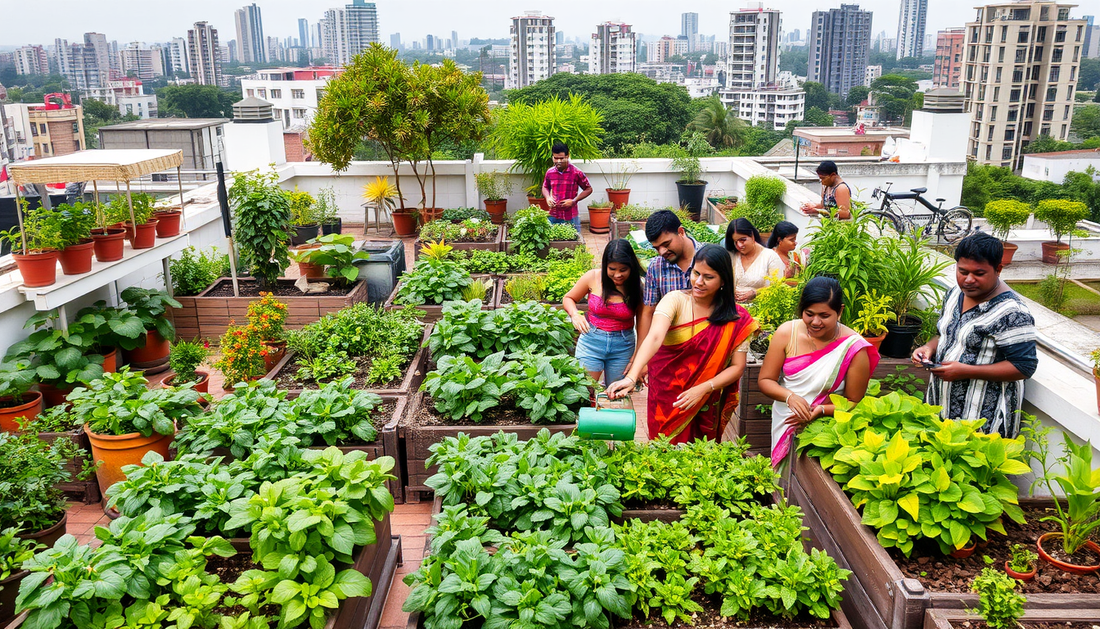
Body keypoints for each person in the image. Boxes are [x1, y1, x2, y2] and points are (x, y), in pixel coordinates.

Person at [607, 245, 758, 443]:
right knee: (663, 451)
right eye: (696, 273)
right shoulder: (675, 300)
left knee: (699, 461)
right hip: (666, 396)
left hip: (705, 398)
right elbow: (654, 337)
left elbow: (738, 367)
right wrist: (631, 377)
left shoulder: (737, 319)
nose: (699, 282)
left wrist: (703, 388)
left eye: (708, 277)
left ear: (723, 281)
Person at [912, 232, 1037, 438]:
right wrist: (928, 348)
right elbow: (946, 333)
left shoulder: (1013, 312)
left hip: (983, 420)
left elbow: (1024, 366)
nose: (968, 280)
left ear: (998, 270)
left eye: (979, 273)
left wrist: (967, 371)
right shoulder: (954, 294)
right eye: (962, 271)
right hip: (941, 405)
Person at [758, 277, 879, 468]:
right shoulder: (786, 333)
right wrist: (790, 397)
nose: (815, 322)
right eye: (809, 314)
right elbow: (765, 380)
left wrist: (821, 411)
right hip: (784, 418)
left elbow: (854, 402)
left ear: (839, 311)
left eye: (824, 315)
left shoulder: (853, 348)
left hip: (822, 429)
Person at [564, 239, 644, 387]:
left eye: (623, 270)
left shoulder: (638, 287)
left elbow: (642, 327)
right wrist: (575, 314)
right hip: (591, 341)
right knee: (585, 390)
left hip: (623, 346)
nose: (617, 275)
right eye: (612, 269)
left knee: (617, 393)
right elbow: (568, 298)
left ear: (631, 267)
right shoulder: (593, 277)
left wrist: (636, 359)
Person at [637, 210, 701, 373]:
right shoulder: (656, 267)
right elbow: (648, 312)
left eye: (666, 244)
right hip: (668, 350)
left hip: (704, 349)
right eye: (656, 247)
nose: (662, 252)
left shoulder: (708, 258)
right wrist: (642, 359)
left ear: (681, 232)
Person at [724, 218, 784, 302]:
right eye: (735, 242)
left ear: (752, 235)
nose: (739, 245)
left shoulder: (770, 257)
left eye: (743, 240)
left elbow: (778, 287)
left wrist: (756, 293)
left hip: (761, 310)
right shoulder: (732, 256)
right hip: (732, 309)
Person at [541, 141, 593, 234]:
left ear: (567, 156)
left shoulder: (576, 172)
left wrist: (574, 201)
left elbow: (588, 189)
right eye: (555, 158)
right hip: (553, 214)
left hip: (571, 215)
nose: (558, 161)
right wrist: (548, 197)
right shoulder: (550, 172)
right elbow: (545, 187)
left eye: (561, 158)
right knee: (553, 242)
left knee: (574, 242)